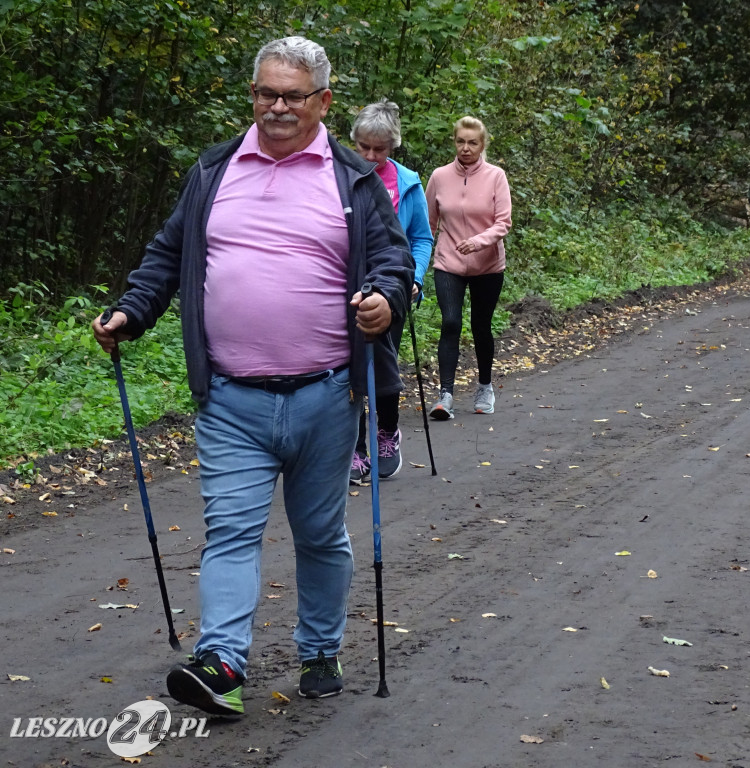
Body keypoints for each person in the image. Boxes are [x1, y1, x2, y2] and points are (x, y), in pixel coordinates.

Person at [91, 36, 412, 716]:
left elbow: (392, 261)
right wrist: (129, 312)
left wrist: (385, 299)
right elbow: (167, 255)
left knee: (320, 534)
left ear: (324, 101)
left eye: (294, 95)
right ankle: (223, 664)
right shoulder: (214, 170)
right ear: (253, 96)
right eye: (266, 93)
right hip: (231, 397)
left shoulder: (351, 178)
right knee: (230, 530)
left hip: (326, 394)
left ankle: (320, 648)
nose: (278, 106)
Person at [348, 99, 433, 483]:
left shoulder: (407, 182)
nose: (369, 155)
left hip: (393, 287)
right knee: (348, 366)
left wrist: (413, 278)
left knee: (382, 363)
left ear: (392, 146)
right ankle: (355, 448)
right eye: (363, 146)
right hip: (347, 286)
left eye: (378, 149)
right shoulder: (338, 177)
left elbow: (420, 237)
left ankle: (387, 433)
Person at [426, 116, 512, 419]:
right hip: (448, 262)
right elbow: (428, 224)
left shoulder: (495, 176)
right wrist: (419, 260)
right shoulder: (439, 176)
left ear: (482, 144)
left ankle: (484, 386)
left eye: (472, 142)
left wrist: (479, 241)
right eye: (460, 141)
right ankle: (445, 396)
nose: (465, 148)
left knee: (480, 326)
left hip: (487, 265)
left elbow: (504, 222)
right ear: (454, 142)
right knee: (450, 323)